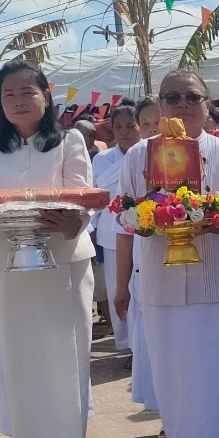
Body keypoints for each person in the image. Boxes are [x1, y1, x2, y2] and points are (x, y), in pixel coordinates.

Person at [114, 70, 219, 438]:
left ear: (207, 104)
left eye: (191, 98)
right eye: (172, 97)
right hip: (161, 280)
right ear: (159, 105)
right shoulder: (138, 155)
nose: (182, 105)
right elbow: (123, 212)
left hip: (218, 277)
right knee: (175, 367)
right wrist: (148, 218)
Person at [0, 60, 95, 438]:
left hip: (64, 261)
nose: (19, 101)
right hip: (7, 264)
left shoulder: (70, 140)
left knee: (67, 353)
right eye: (9, 94)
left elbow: (83, 198)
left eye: (27, 92)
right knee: (20, 358)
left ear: (46, 95)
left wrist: (70, 221)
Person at [90, 103, 141, 353]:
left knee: (140, 289)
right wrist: (88, 229)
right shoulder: (101, 160)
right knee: (117, 290)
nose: (125, 132)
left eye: (131, 126)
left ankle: (143, 344)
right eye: (119, 127)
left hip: (144, 232)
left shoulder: (147, 154)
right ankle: (126, 344)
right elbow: (94, 199)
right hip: (111, 235)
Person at [128, 96, 160, 417]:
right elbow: (125, 220)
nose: (153, 129)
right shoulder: (136, 156)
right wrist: (121, 282)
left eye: (158, 121)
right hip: (146, 254)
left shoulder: (190, 150)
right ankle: (163, 412)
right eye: (146, 124)